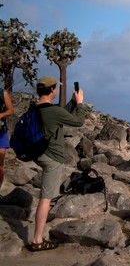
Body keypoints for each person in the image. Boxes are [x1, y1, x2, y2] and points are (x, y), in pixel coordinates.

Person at [29, 76, 87, 251]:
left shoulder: (37, 107)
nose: (56, 90)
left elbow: (61, 115)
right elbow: (78, 121)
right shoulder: (51, 111)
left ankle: (40, 231)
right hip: (51, 157)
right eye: (56, 88)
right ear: (52, 90)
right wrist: (81, 104)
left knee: (47, 195)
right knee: (45, 199)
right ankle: (37, 240)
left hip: (38, 153)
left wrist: (72, 102)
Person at [0, 87, 15, 193]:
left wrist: (1, 115)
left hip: (1, 132)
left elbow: (10, 110)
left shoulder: (2, 93)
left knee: (0, 165)